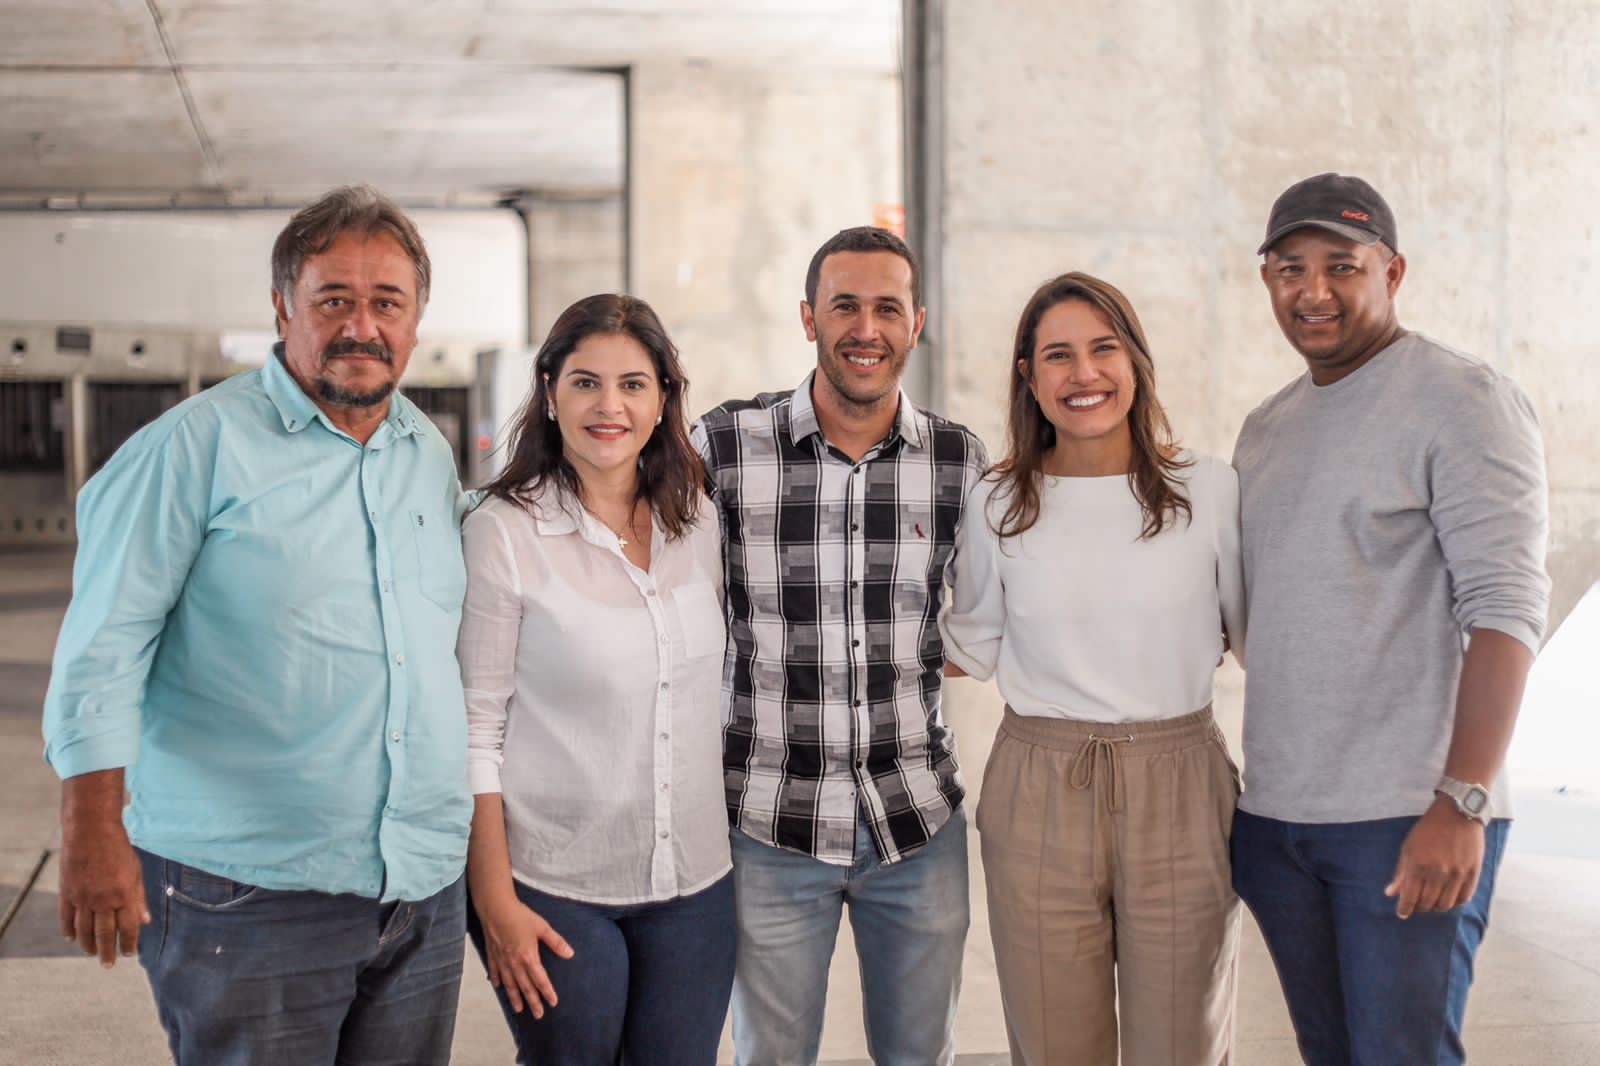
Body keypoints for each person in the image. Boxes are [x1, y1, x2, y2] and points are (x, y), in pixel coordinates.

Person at [41, 185, 472, 1064]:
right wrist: (92, 832)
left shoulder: (423, 452)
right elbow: (103, 647)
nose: (363, 325)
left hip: (420, 885)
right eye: (333, 300)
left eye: (386, 302)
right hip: (246, 892)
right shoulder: (189, 449)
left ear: (417, 318)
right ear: (283, 308)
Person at [1231, 172, 1550, 1066]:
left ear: (1393, 271)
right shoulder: (1267, 429)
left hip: (1409, 816)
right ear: (1267, 279)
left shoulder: (1463, 399)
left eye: (1343, 265)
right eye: (1291, 267)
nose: (1315, 290)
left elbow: (1508, 608)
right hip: (1279, 822)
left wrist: (1464, 801)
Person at [692, 226, 989, 1066]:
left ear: (916, 323)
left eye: (887, 308)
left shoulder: (960, 461)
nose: (867, 328)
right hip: (769, 826)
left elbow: (993, 614)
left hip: (917, 824)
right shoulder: (723, 448)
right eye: (845, 306)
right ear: (808, 317)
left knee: (919, 1056)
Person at [940, 272, 1246, 1065]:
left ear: (1136, 362)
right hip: (1040, 784)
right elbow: (969, 644)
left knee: (1182, 1043)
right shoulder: (997, 503)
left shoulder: (1207, 491)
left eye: (1103, 350)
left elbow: (1255, 638)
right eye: (1059, 356)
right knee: (1052, 1045)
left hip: (1181, 782)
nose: (1084, 375)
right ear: (1029, 377)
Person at [459, 293, 735, 1065]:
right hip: (555, 883)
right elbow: (475, 731)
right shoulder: (503, 533)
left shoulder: (699, 522)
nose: (608, 406)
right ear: (549, 393)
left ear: (663, 401)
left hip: (695, 882)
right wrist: (494, 903)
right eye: (585, 383)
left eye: (633, 384)